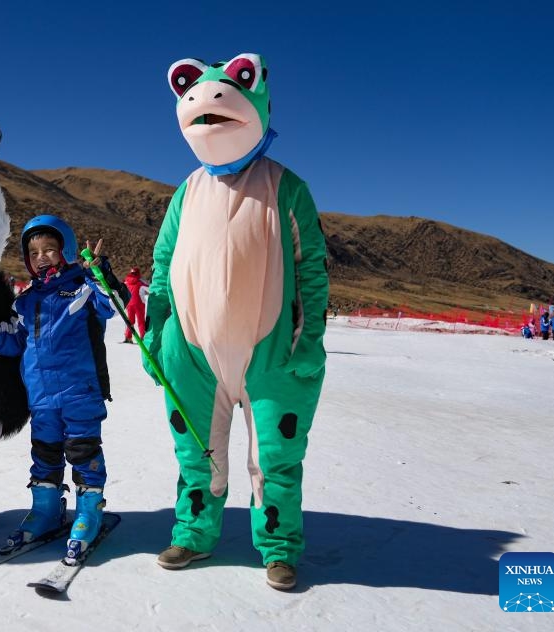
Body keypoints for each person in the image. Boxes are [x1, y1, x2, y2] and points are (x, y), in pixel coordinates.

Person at [145, 53, 329, 591]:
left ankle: (278, 546)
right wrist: (158, 335)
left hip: (272, 350)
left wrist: (309, 337)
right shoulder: (187, 191)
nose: (206, 104)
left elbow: (311, 267)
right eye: (192, 93)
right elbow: (162, 267)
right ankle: (194, 533)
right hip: (195, 353)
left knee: (273, 457)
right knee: (196, 453)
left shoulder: (285, 186)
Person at [0, 215, 115, 564]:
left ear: (65, 250)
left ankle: (88, 511)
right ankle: (46, 510)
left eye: (50, 249)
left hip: (79, 390)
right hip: (41, 394)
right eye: (33, 252)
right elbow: (18, 342)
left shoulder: (83, 286)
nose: (41, 257)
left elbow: (111, 305)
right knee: (46, 453)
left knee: (82, 451)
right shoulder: (28, 299)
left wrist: (100, 272)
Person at [122, 266, 149, 343]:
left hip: (128, 304)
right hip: (139, 304)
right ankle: (143, 337)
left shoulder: (126, 282)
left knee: (130, 321)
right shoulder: (140, 283)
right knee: (141, 321)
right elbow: (150, 289)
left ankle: (128, 337)